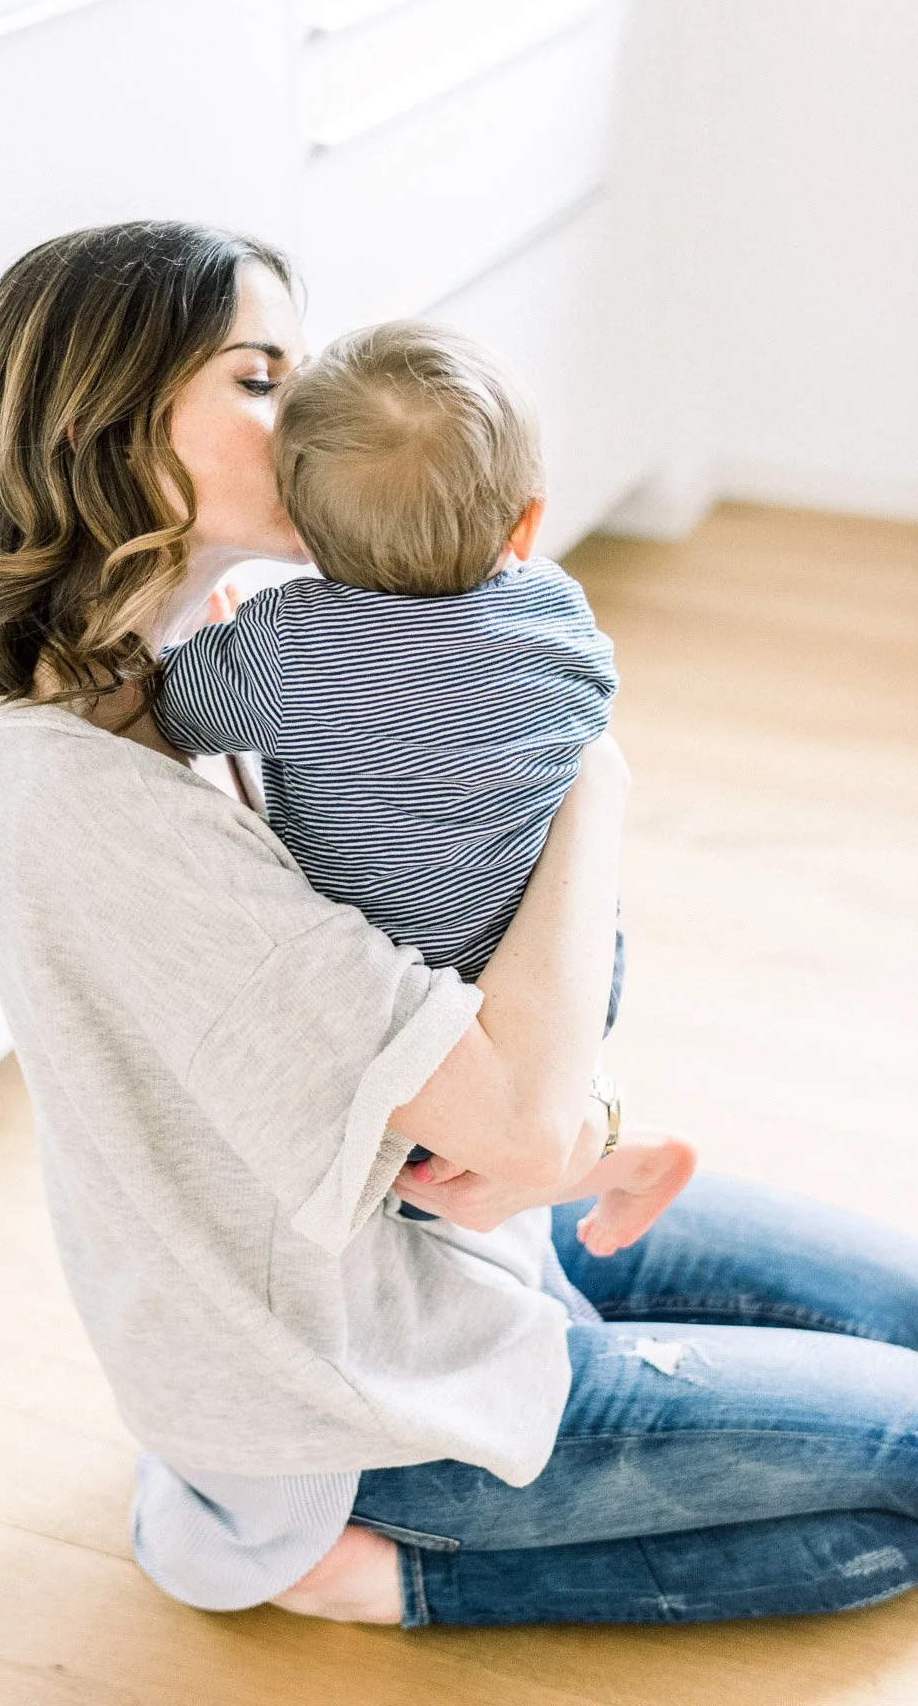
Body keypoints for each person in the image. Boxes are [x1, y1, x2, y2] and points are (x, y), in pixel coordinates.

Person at [0, 220, 918, 1628]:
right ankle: (348, 1568)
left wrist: (586, 1139)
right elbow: (514, 1128)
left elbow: (486, 1071)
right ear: (110, 422)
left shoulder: (232, 661)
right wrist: (593, 779)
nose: (308, 407)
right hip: (363, 1398)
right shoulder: (87, 797)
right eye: (259, 377)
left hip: (471, 1243)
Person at [153, 319, 693, 1258]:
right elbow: (567, 727)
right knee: (486, 1142)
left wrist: (231, 647)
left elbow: (174, 711)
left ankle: (607, 1155)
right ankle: (606, 1144)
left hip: (410, 1002)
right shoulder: (557, 616)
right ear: (526, 520)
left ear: (300, 530)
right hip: (559, 976)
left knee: (397, 1170)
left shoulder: (287, 653)